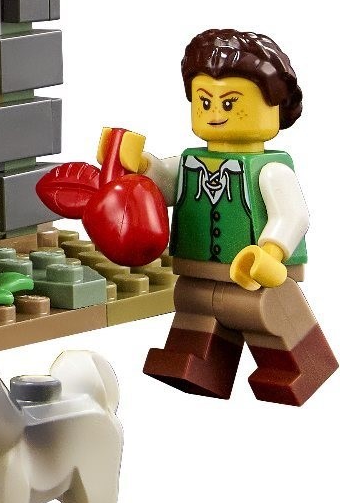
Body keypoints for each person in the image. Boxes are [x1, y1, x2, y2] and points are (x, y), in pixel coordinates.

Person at [128, 26, 328, 404]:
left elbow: (292, 216)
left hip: (254, 274)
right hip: (199, 270)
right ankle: (198, 364)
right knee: (195, 305)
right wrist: (141, 166)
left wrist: (271, 252)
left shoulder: (270, 170)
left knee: (265, 312)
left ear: (274, 106)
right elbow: (166, 186)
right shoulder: (190, 162)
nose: (216, 113)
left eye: (230, 103)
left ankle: (300, 366)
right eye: (204, 103)